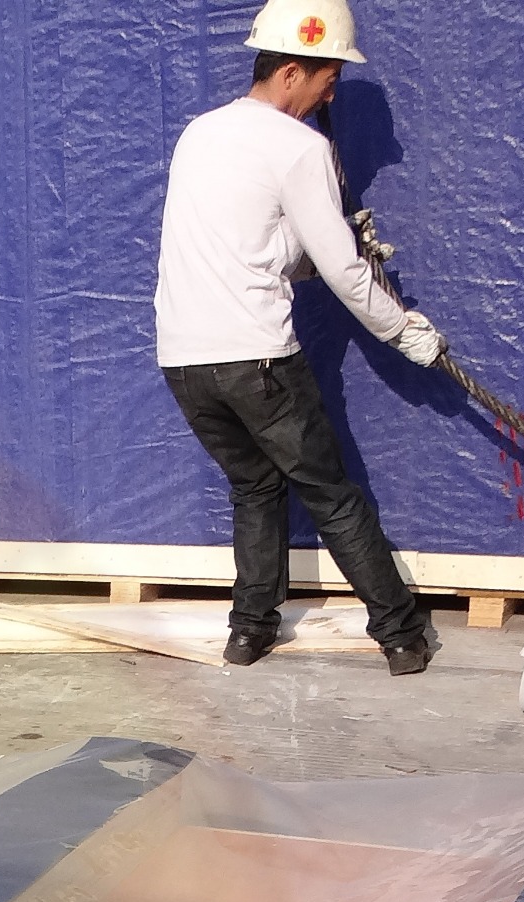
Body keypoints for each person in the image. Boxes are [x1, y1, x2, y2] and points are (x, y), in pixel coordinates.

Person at [155, 0, 449, 674]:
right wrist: (403, 329)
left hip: (184, 360)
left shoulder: (200, 133)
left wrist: (317, 250)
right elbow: (344, 274)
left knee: (254, 488)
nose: (331, 95)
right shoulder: (301, 147)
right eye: (328, 78)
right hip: (256, 356)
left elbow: (257, 248)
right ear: (292, 71)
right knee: (330, 493)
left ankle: (249, 631)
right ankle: (401, 636)